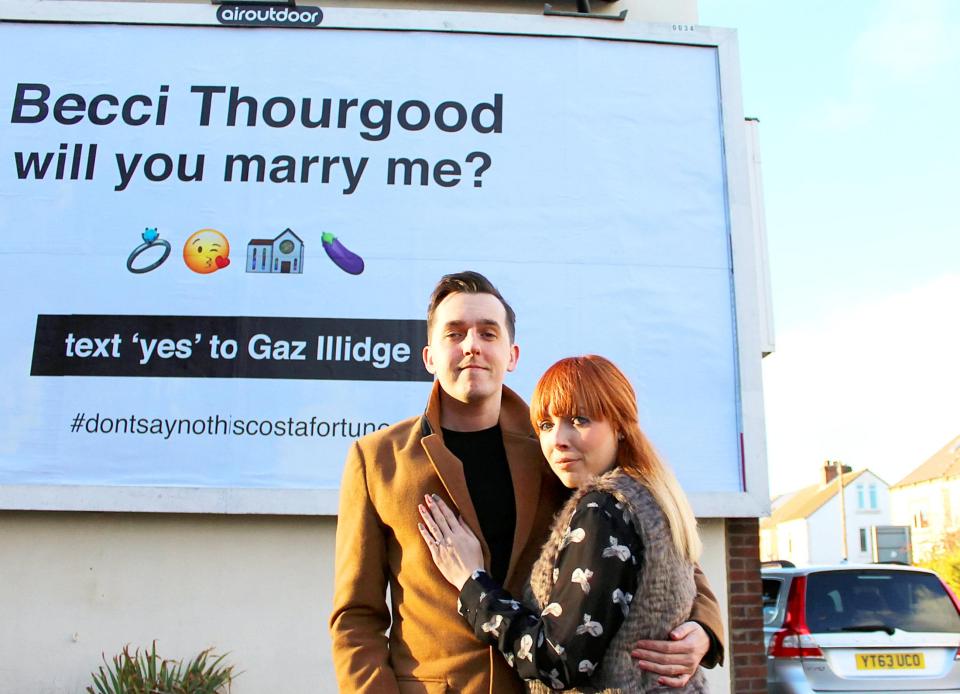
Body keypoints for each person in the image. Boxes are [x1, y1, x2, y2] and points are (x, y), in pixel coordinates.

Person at [329, 272, 723, 693]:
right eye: (454, 333)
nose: (472, 345)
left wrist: (703, 627)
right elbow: (357, 617)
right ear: (429, 356)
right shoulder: (377, 460)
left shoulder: (555, 451)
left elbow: (661, 543)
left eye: (488, 332)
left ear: (511, 354)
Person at [418, 355, 710, 691]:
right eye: (545, 425)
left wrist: (472, 581)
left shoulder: (606, 508)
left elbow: (556, 662)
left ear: (620, 425)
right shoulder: (653, 498)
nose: (557, 439)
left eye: (579, 420)